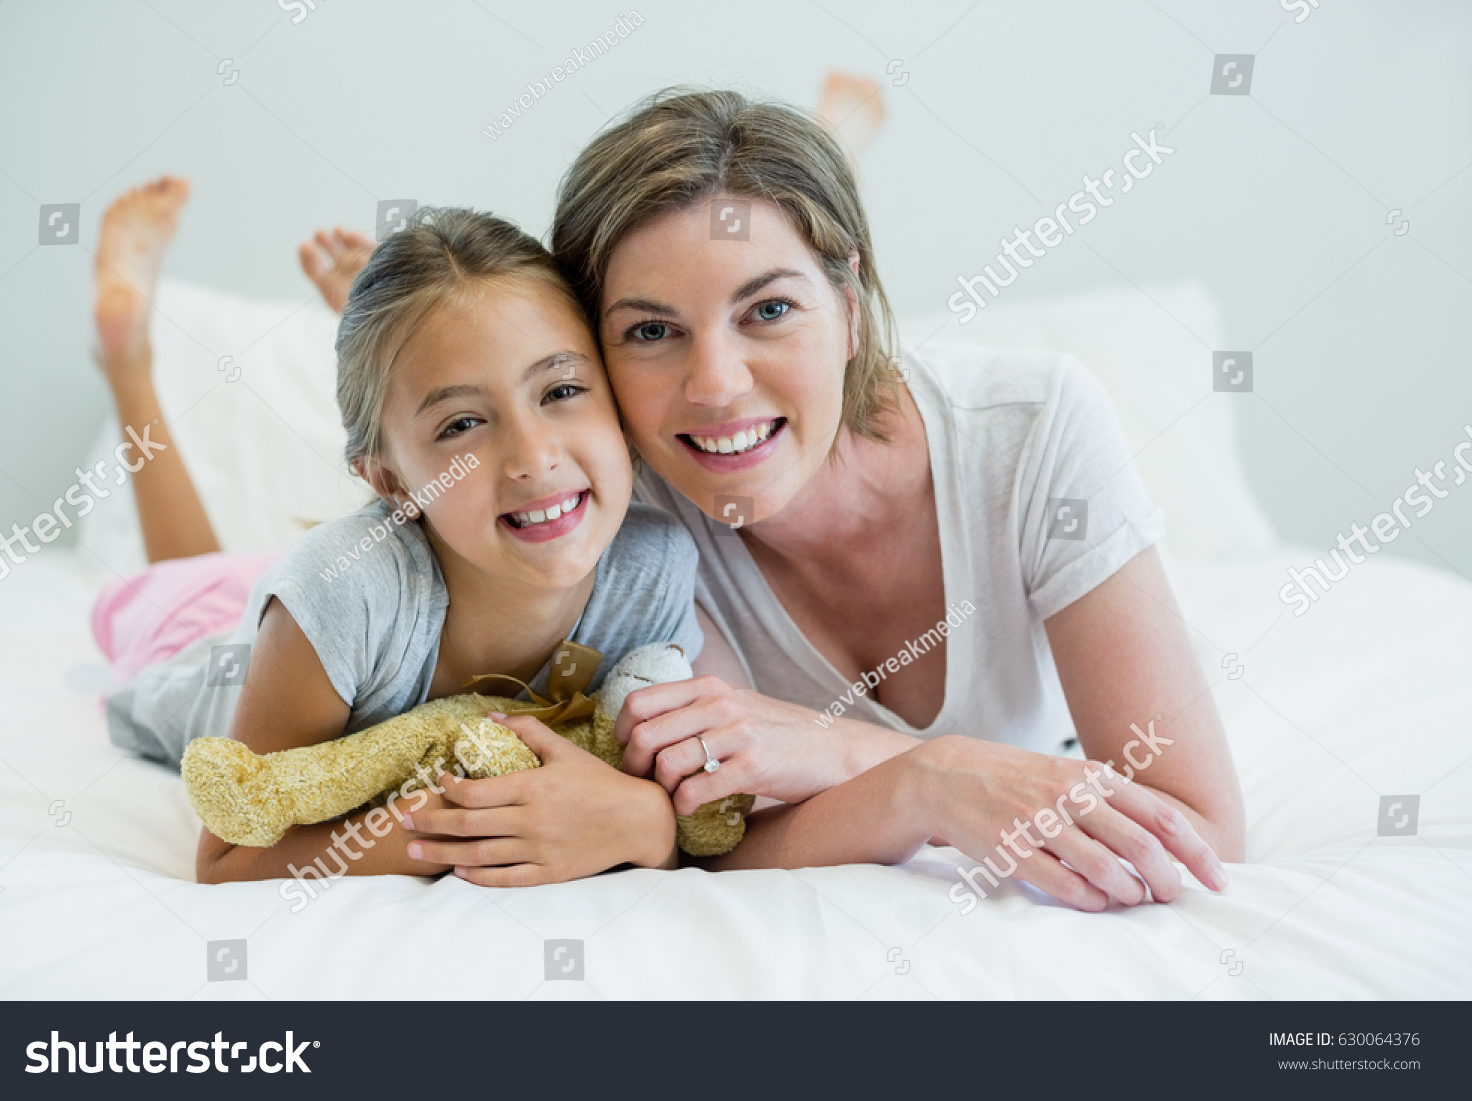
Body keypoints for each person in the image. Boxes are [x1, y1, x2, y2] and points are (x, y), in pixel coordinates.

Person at [548, 87, 1245, 912]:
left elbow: (1202, 832)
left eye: (769, 309)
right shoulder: (629, 523)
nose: (717, 386)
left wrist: (842, 753)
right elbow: (723, 846)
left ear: (848, 309)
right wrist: (927, 781)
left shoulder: (1031, 429)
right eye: (652, 331)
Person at [88, 178, 698, 886]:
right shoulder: (339, 595)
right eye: (462, 422)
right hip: (235, 646)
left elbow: (678, 806)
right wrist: (472, 823)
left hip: (367, 575)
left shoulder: (654, 565)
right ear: (389, 482)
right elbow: (229, 857)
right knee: (187, 580)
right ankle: (130, 367)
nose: (536, 458)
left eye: (561, 391)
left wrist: (647, 823)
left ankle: (399, 348)